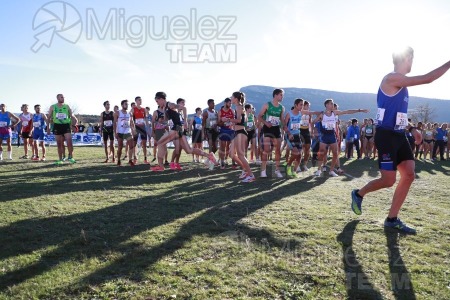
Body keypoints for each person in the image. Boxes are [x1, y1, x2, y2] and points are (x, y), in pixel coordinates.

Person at [351, 46, 450, 234]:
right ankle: (358, 194)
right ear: (404, 59)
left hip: (399, 135)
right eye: (411, 59)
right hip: (386, 135)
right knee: (388, 180)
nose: (412, 62)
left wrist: (412, 128)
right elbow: (427, 79)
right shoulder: (391, 78)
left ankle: (392, 219)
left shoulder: (403, 87)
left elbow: (399, 116)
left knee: (409, 174)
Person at [150, 92, 216, 171]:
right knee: (188, 150)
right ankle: (209, 155)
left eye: (157, 101)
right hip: (178, 130)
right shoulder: (165, 108)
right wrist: (161, 121)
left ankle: (161, 166)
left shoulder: (170, 104)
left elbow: (184, 108)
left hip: (176, 129)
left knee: (160, 143)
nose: (157, 103)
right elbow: (167, 119)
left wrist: (185, 121)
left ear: (161, 99)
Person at [304, 99, 368, 177]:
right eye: (331, 104)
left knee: (335, 153)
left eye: (333, 104)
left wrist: (359, 110)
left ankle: (331, 170)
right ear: (327, 105)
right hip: (324, 136)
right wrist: (314, 131)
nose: (333, 105)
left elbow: (347, 112)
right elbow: (313, 122)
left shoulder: (334, 113)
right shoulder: (322, 114)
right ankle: (319, 170)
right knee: (322, 153)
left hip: (332, 135)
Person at [258, 88, 285, 178]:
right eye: (281, 95)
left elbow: (281, 119)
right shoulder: (267, 105)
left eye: (282, 95)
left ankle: (277, 170)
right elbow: (259, 116)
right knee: (266, 150)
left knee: (278, 151)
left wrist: (284, 127)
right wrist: (266, 123)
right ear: (275, 95)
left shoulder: (281, 107)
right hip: (267, 129)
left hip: (276, 129)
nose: (282, 96)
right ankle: (263, 170)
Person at [228, 92, 255, 182]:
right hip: (237, 132)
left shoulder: (239, 107)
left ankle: (250, 175)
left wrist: (229, 119)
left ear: (236, 98)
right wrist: (232, 123)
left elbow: (239, 120)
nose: (230, 98)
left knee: (241, 155)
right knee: (231, 154)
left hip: (241, 133)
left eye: (232, 97)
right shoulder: (238, 107)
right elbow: (242, 120)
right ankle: (245, 170)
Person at [47, 94, 78, 164]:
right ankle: (60, 159)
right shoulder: (53, 107)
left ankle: (71, 156)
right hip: (57, 126)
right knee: (59, 144)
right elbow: (48, 118)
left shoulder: (67, 106)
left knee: (69, 142)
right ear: (57, 98)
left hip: (66, 125)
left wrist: (75, 123)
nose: (63, 98)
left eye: (63, 97)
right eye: (61, 97)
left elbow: (72, 115)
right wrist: (48, 128)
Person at [283, 98, 304, 178]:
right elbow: (284, 125)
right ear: (296, 105)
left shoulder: (300, 113)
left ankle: (294, 171)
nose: (302, 106)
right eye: (300, 104)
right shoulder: (289, 114)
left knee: (299, 155)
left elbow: (310, 112)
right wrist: (288, 133)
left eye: (302, 104)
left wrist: (321, 112)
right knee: (296, 152)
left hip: (297, 135)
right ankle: (288, 166)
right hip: (290, 135)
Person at [113, 99, 136, 166]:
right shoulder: (117, 112)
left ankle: (130, 160)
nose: (127, 105)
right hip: (120, 132)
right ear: (122, 105)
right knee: (120, 147)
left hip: (128, 132)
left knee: (131, 146)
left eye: (127, 104)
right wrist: (115, 132)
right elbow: (114, 123)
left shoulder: (130, 113)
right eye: (126, 104)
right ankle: (119, 160)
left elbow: (132, 122)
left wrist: (133, 130)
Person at [131, 96, 150, 164]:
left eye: (141, 100)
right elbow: (131, 120)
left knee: (144, 143)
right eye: (139, 100)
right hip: (136, 127)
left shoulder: (144, 109)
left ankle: (145, 159)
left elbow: (146, 119)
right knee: (134, 143)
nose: (140, 101)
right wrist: (132, 128)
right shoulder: (133, 109)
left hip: (142, 127)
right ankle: (134, 158)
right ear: (136, 101)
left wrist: (148, 128)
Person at [218, 98, 235, 169]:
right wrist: (222, 121)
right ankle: (222, 162)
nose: (230, 105)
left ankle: (232, 162)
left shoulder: (232, 111)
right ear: (225, 103)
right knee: (222, 146)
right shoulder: (220, 111)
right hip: (223, 130)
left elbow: (235, 120)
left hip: (231, 130)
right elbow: (218, 123)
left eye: (231, 103)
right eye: (229, 103)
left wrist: (231, 122)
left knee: (231, 146)